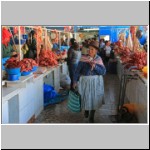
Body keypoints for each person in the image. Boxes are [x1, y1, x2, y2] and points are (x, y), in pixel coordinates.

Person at [73, 41, 106, 123]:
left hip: (96, 83)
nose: (90, 51)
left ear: (96, 51)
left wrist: (94, 66)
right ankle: (87, 109)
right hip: (85, 82)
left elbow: (103, 72)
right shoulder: (83, 58)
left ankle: (92, 115)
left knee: (95, 99)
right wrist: (74, 81)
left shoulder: (98, 59)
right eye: (89, 49)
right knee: (86, 97)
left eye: (92, 49)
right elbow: (77, 71)